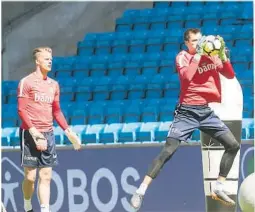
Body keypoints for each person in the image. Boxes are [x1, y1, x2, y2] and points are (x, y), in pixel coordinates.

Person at [130, 28, 240, 210]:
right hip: (186, 112)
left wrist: (223, 56)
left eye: (200, 40)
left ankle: (219, 186)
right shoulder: (183, 56)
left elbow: (229, 75)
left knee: (233, 145)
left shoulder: (211, 56)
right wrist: (198, 54)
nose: (199, 43)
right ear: (187, 43)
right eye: (195, 41)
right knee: (168, 151)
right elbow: (187, 77)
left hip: (205, 112)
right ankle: (140, 190)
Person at [17, 47, 82, 212]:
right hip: (30, 133)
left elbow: (57, 111)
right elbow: (22, 110)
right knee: (30, 177)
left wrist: (68, 131)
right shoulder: (27, 82)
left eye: (51, 59)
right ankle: (27, 204)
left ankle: (45, 209)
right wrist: (34, 132)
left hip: (48, 134)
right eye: (46, 59)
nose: (50, 61)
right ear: (37, 61)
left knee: (46, 176)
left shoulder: (54, 85)